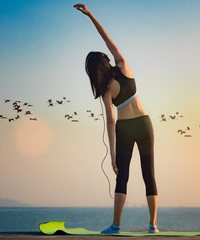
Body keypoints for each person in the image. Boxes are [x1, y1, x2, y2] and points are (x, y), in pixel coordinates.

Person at [74, 3, 159, 234]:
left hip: (124, 129)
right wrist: (91, 15)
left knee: (122, 178)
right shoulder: (122, 64)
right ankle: (153, 225)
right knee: (148, 174)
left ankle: (116, 226)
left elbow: (110, 122)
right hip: (144, 123)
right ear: (106, 60)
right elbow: (106, 38)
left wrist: (112, 153)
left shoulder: (105, 90)